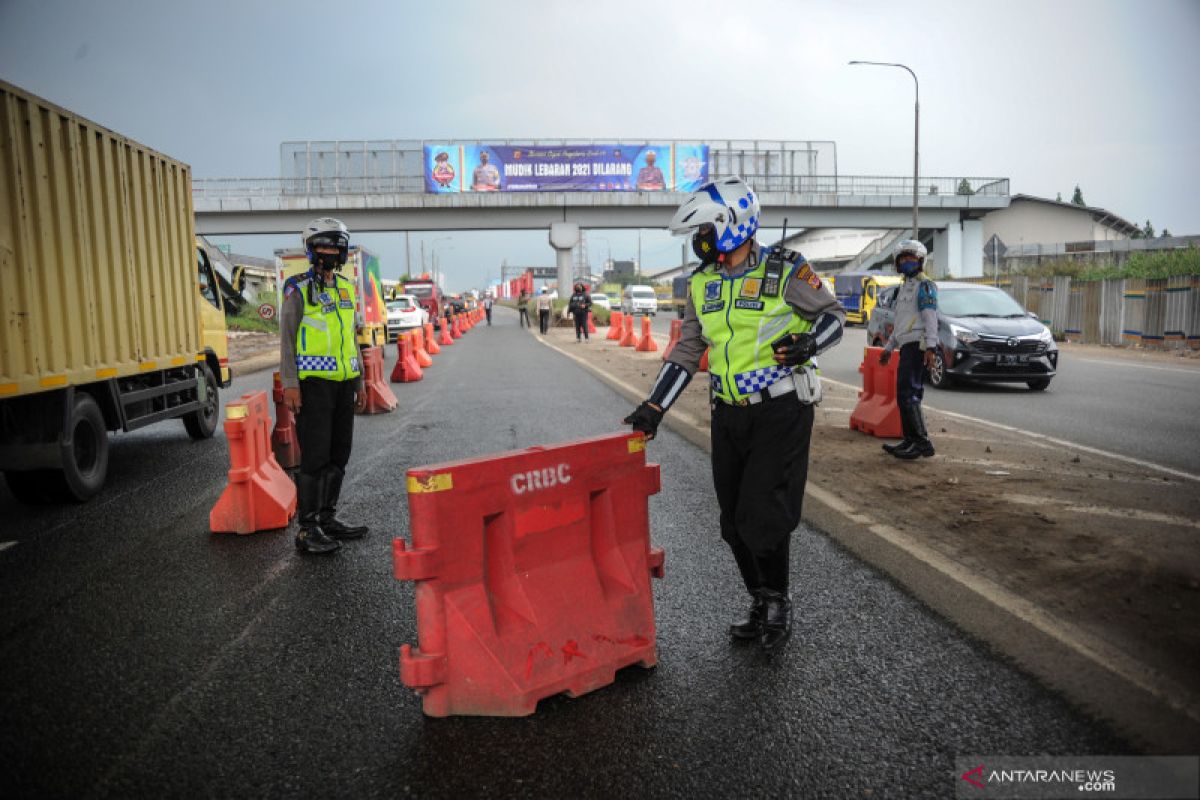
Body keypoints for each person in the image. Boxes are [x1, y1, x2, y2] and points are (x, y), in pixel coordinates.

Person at [622, 177, 844, 652]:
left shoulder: (786, 270)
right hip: (728, 414)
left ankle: (779, 603)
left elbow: (832, 317)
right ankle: (760, 600)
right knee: (732, 522)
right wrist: (654, 407)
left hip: (781, 410)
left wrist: (808, 343)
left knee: (763, 515)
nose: (697, 241)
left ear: (729, 225)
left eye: (702, 230)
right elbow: (688, 350)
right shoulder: (701, 282)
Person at [279, 218, 370, 555]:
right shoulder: (298, 288)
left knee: (339, 454)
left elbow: (352, 340)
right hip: (312, 385)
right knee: (315, 458)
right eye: (324, 246)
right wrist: (290, 384)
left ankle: (327, 518)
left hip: (344, 384)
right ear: (311, 250)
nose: (331, 252)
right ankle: (307, 528)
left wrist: (359, 380)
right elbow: (287, 341)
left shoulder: (346, 288)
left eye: (336, 247)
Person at [879, 240, 938, 459]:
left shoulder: (925, 285)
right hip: (906, 345)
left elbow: (930, 318)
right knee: (903, 394)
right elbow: (901, 323)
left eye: (911, 258)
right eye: (902, 259)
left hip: (917, 345)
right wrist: (888, 348)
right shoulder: (904, 287)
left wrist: (931, 347)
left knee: (910, 394)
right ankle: (910, 440)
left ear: (920, 261)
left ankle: (922, 443)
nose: (906, 262)